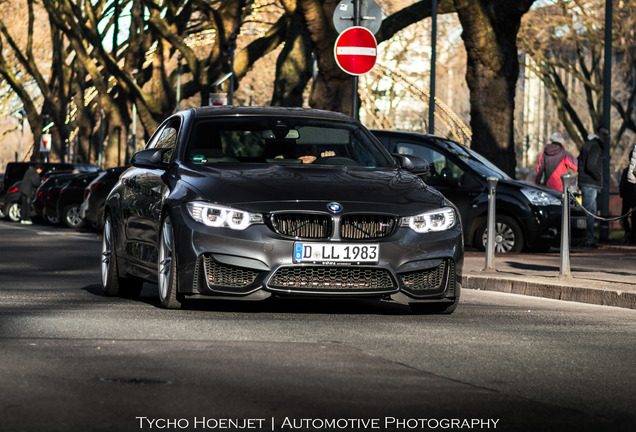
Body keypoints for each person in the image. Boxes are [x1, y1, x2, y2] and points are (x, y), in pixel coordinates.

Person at [577, 126, 609, 248]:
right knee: (589, 213)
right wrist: (598, 177)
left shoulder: (587, 145)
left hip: (586, 183)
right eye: (604, 135)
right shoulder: (595, 147)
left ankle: (588, 238)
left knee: (591, 212)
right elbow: (591, 166)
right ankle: (587, 239)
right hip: (590, 183)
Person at [619, 143, 636, 245]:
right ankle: (632, 235)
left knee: (624, 216)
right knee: (634, 217)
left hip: (627, 197)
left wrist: (622, 194)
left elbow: (622, 184)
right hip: (633, 197)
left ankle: (628, 232)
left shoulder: (626, 171)